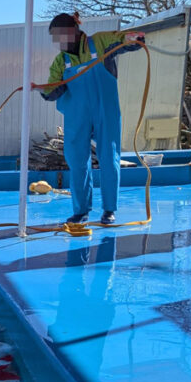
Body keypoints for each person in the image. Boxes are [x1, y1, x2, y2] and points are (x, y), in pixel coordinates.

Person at [37, 12, 144, 225]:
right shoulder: (61, 61)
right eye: (55, 38)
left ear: (74, 31)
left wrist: (134, 39)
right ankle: (81, 210)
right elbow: (53, 88)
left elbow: (124, 40)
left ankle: (109, 210)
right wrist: (44, 91)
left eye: (61, 35)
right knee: (77, 161)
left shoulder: (100, 42)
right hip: (77, 115)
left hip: (106, 110)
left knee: (109, 158)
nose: (59, 42)